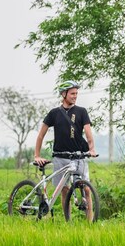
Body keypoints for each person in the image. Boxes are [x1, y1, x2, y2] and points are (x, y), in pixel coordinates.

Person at [34, 80, 97, 217]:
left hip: (78, 157)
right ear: (64, 94)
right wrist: (37, 155)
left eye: (76, 93)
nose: (75, 96)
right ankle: (67, 220)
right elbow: (40, 135)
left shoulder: (81, 111)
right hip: (60, 158)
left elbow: (88, 133)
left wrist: (91, 149)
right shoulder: (54, 113)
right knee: (64, 190)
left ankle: (91, 223)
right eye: (72, 93)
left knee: (86, 189)